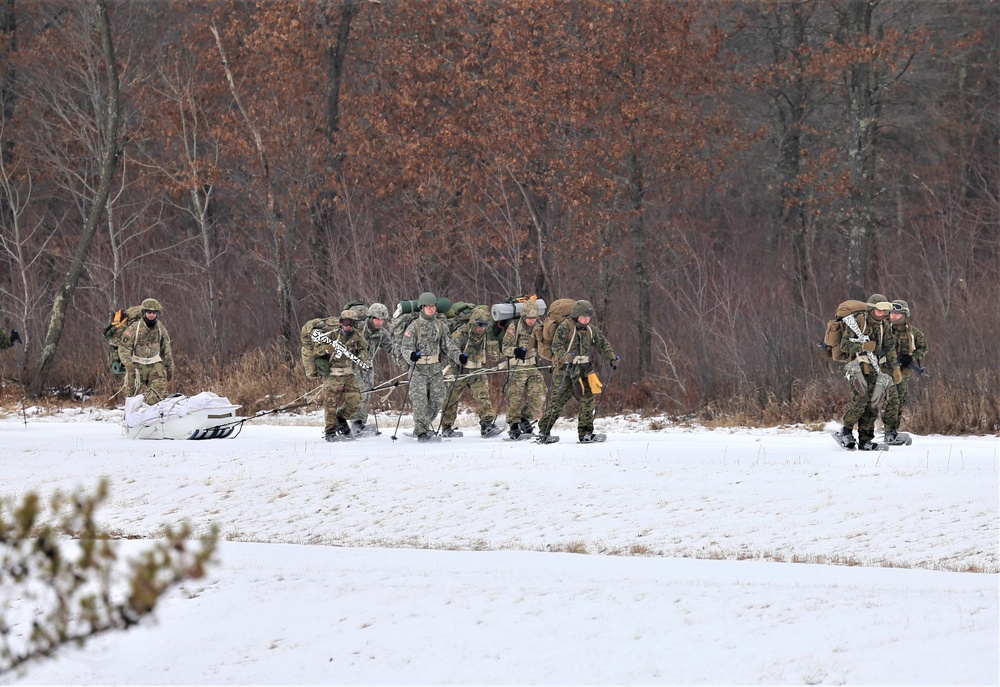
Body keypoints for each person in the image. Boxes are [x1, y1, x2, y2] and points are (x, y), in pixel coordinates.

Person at [536, 300, 618, 444]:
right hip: (565, 370)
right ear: (576, 315)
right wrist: (564, 356)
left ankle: (586, 433)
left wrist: (611, 357)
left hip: (584, 369)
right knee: (558, 401)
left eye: (588, 317)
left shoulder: (590, 330)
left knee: (588, 399)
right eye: (583, 317)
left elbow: (602, 343)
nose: (586, 320)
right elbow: (556, 346)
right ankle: (544, 430)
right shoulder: (565, 327)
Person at [836, 294, 902, 451]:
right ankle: (845, 431)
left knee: (874, 403)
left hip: (874, 367)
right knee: (861, 398)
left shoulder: (883, 326)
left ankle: (865, 440)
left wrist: (895, 368)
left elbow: (890, 348)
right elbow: (844, 345)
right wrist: (862, 347)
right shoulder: (858, 322)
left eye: (883, 311)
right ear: (872, 308)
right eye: (878, 310)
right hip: (855, 365)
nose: (881, 313)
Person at [399, 291, 462, 442]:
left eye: (433, 306)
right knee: (420, 401)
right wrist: (411, 355)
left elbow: (449, 346)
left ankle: (423, 425)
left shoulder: (441, 325)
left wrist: (459, 356)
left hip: (435, 369)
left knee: (437, 400)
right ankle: (421, 431)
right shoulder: (413, 326)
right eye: (428, 307)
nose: (431, 309)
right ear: (422, 307)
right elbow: (405, 347)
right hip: (418, 369)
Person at [301, 310, 369, 441]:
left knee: (355, 401)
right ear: (341, 322)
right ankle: (330, 432)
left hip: (349, 373)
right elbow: (317, 350)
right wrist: (331, 348)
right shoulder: (331, 334)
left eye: (351, 323)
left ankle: (341, 418)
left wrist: (360, 358)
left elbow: (363, 349)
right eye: (345, 323)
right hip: (333, 374)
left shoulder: (357, 335)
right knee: (331, 404)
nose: (348, 326)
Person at [440, 306, 501, 438]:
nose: (481, 328)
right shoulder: (461, 333)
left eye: (484, 325)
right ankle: (446, 427)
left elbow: (495, 355)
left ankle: (487, 424)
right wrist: (458, 358)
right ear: (473, 322)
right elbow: (449, 350)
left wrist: (495, 338)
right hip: (458, 370)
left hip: (477, 370)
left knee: (483, 396)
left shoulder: (486, 334)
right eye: (479, 325)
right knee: (451, 399)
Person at [881, 299, 929, 444]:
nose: (894, 316)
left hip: (903, 372)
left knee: (900, 400)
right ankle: (888, 432)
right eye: (892, 313)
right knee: (892, 399)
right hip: (886, 369)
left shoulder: (913, 332)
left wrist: (911, 357)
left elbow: (923, 348)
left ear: (904, 314)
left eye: (897, 313)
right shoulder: (883, 329)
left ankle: (893, 431)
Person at [500, 300, 546, 439]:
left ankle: (525, 419)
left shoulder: (540, 326)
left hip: (532, 366)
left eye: (534, 318)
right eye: (529, 318)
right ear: (523, 316)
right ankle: (513, 425)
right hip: (517, 366)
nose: (531, 321)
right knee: (515, 397)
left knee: (539, 394)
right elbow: (504, 348)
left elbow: (545, 346)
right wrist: (515, 350)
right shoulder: (515, 326)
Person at [117, 298, 174, 405]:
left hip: (155, 366)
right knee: (132, 398)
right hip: (136, 367)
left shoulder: (160, 328)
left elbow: (166, 349)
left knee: (159, 394)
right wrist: (128, 364)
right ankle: (132, 418)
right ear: (144, 312)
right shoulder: (134, 328)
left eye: (154, 312)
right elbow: (124, 347)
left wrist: (169, 366)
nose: (151, 315)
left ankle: (155, 417)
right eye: (149, 312)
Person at [351, 302, 392, 435]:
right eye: (376, 319)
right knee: (361, 392)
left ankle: (360, 423)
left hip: (368, 366)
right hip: (354, 365)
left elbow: (391, 348)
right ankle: (356, 423)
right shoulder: (358, 329)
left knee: (367, 394)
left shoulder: (382, 333)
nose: (379, 322)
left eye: (382, 320)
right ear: (370, 317)